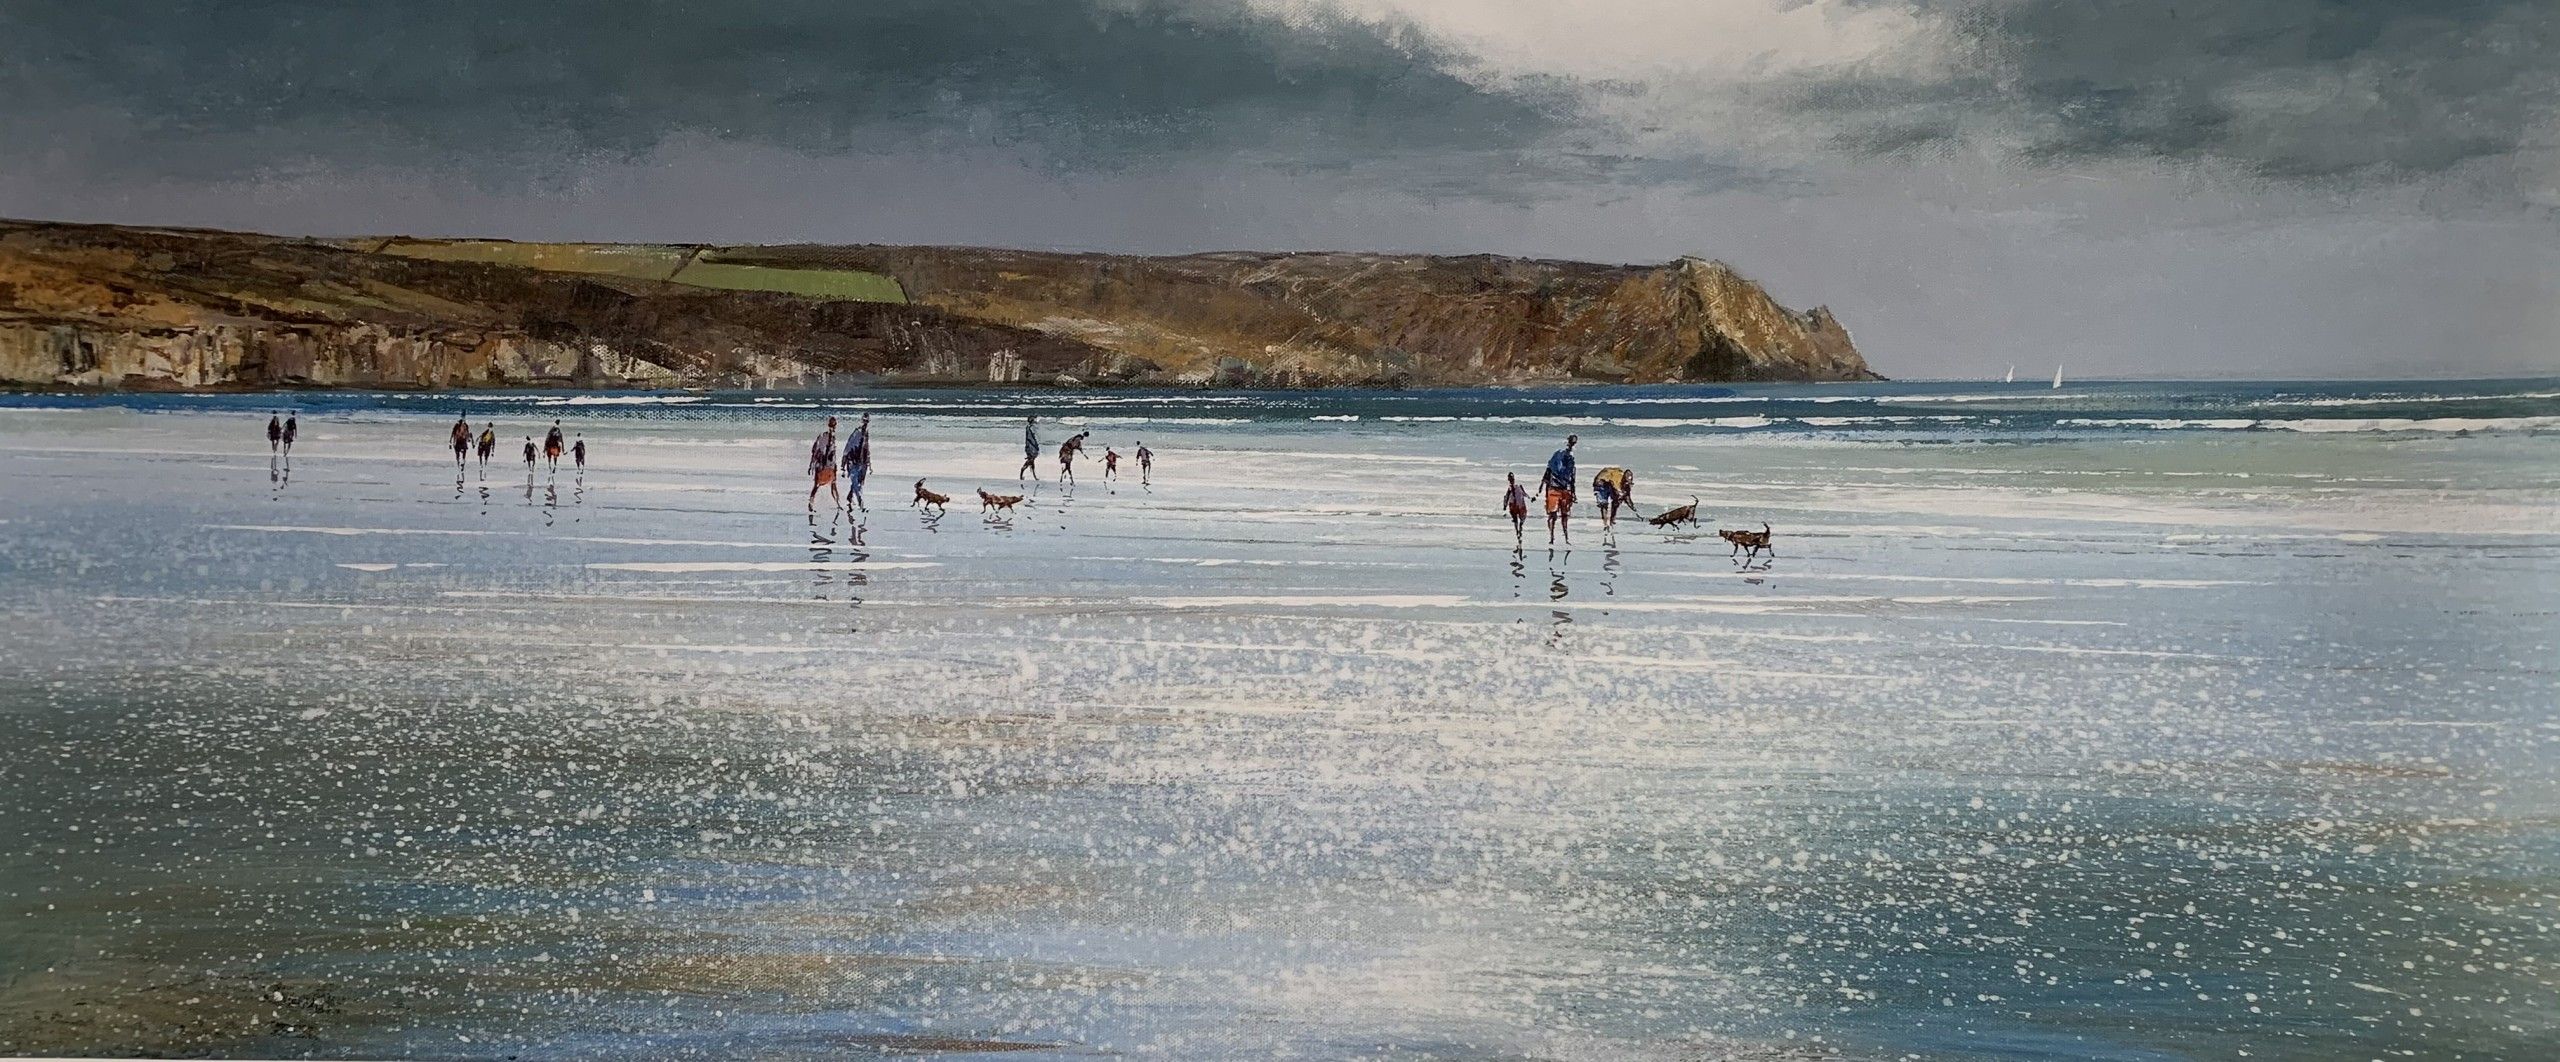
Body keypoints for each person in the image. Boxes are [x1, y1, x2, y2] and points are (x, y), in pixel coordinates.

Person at [1538, 434, 1578, 545]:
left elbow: (1571, 477)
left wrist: (1573, 492)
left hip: (1562, 489)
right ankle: (1555, 538)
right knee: (1556, 515)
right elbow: (1548, 472)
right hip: (1557, 489)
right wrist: (1541, 488)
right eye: (1572, 443)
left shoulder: (1566, 458)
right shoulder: (1561, 457)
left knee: (1560, 515)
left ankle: (1560, 537)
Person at [840, 413, 872, 511]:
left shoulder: (866, 433)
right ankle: (861, 503)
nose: (866, 423)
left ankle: (849, 497)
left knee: (859, 483)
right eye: (864, 421)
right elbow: (848, 446)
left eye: (867, 421)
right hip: (853, 462)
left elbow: (867, 448)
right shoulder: (856, 432)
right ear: (862, 421)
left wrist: (869, 463)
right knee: (856, 483)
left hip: (863, 462)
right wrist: (843, 464)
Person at [807, 416, 840, 511]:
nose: (833, 427)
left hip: (827, 465)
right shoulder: (825, 436)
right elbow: (816, 451)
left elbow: (817, 451)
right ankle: (811, 503)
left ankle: (837, 503)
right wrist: (812, 464)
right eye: (833, 425)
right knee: (821, 485)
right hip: (824, 465)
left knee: (826, 485)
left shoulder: (829, 437)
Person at [1502, 472, 1531, 544]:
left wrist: (1504, 506)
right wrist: (1530, 498)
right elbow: (1524, 494)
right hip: (1519, 504)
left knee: (1515, 520)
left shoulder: (1511, 487)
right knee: (1520, 519)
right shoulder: (1517, 486)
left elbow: (1506, 497)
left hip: (1514, 505)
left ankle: (1518, 531)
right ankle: (1519, 530)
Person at [1018, 416, 1041, 482]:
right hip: (1031, 447)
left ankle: (1034, 476)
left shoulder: (1029, 427)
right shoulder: (1030, 428)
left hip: (1030, 446)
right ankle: (1023, 475)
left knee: (1032, 462)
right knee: (1030, 461)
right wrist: (1035, 444)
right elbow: (1030, 438)